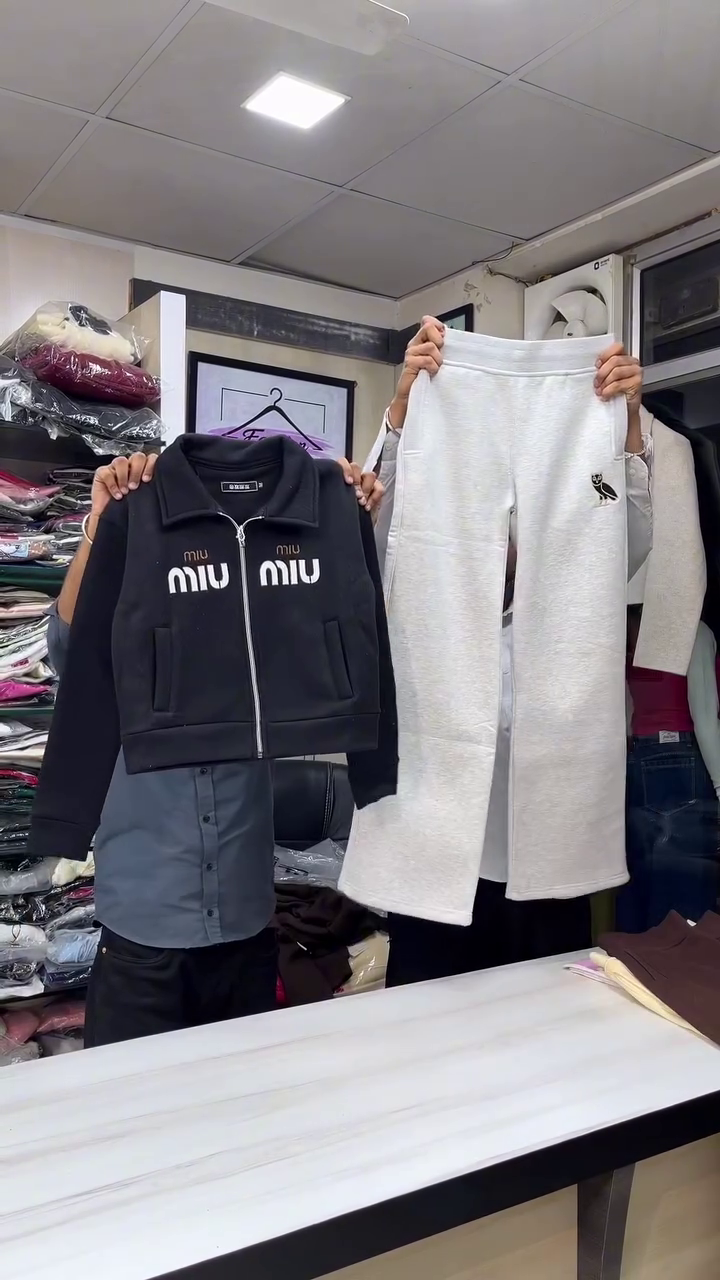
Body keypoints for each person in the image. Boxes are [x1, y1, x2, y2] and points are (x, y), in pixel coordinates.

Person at [344, 317, 653, 985]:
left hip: (545, 848)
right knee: (428, 1015)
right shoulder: (428, 575)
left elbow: (615, 531)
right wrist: (404, 410)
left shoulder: (583, 523)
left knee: (544, 1014)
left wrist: (622, 431)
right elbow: (379, 534)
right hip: (439, 849)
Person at [49, 452, 383, 1047]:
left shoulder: (257, 642)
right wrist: (100, 527)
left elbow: (328, 616)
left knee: (243, 1099)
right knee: (133, 1101)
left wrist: (345, 520)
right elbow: (69, 648)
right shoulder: (135, 634)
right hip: (141, 940)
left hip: (245, 935)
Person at [618, 607, 720, 932]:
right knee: (687, 881)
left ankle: (638, 957)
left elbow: (623, 705)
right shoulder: (691, 628)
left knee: (644, 878)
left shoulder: (624, 629)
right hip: (683, 759)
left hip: (637, 758)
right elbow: (704, 714)